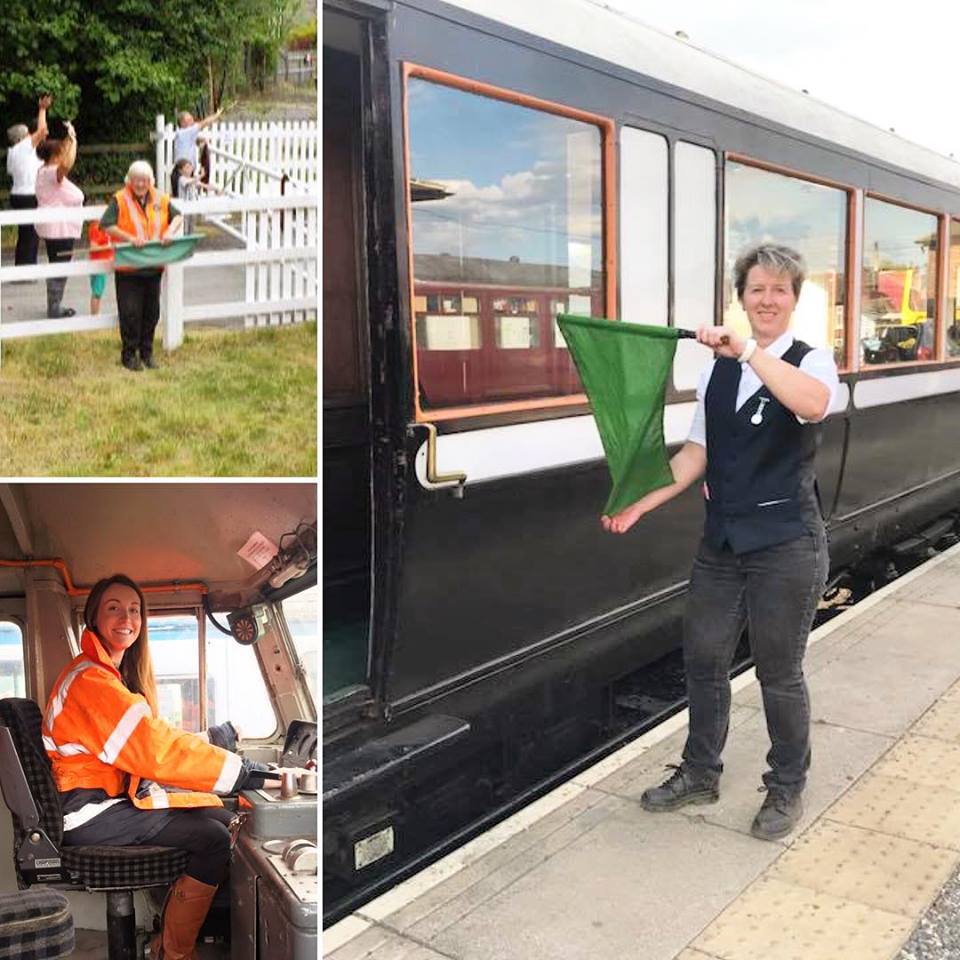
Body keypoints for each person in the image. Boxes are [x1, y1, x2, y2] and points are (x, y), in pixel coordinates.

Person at [604, 243, 839, 841]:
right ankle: (700, 771)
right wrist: (644, 500)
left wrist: (751, 352)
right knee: (704, 659)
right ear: (742, 297)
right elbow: (697, 454)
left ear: (794, 299)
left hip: (787, 541)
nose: (766, 299)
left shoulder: (811, 361)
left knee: (778, 672)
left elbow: (813, 406)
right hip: (724, 541)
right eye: (756, 288)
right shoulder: (718, 368)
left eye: (779, 290)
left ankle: (786, 787)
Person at [42, 574, 280, 960]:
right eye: (114, 608)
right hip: (87, 813)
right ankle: (175, 954)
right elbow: (154, 750)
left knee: (217, 815)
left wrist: (217, 739)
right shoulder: (91, 680)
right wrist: (242, 771)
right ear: (94, 619)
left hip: (104, 802)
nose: (126, 618)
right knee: (214, 838)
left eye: (134, 610)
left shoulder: (105, 677)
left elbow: (152, 738)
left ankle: (163, 942)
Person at [100, 161, 183, 370]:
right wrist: (129, 238)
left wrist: (170, 232)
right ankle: (129, 355)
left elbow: (178, 216)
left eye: (144, 180)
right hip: (129, 267)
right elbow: (107, 225)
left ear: (150, 181)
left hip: (153, 266)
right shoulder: (120, 199)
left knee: (151, 313)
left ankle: (147, 353)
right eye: (136, 180)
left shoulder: (161, 198)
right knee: (130, 313)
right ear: (129, 180)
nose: (140, 184)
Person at [34, 121, 83, 319]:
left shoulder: (43, 171)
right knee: (60, 263)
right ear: (54, 156)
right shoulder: (52, 173)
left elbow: (65, 155)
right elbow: (67, 163)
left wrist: (71, 137)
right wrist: (73, 141)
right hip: (59, 227)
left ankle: (54, 304)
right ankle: (54, 307)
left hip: (55, 226)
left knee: (57, 262)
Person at [6, 94, 51, 268]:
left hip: (17, 195)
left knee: (25, 233)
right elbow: (43, 131)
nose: (30, 136)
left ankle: (23, 266)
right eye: (27, 134)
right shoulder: (23, 147)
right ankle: (26, 269)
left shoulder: (13, 152)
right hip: (27, 195)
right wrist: (42, 109)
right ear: (22, 137)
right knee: (30, 233)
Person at [172, 106, 223, 172]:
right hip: (184, 171)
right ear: (182, 123)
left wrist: (202, 140)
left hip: (185, 170)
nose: (193, 121)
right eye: (189, 120)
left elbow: (194, 140)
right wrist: (216, 115)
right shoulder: (187, 131)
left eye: (192, 118)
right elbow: (205, 123)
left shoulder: (183, 133)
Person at [87, 220, 112, 315]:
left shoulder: (103, 226)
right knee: (97, 292)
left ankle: (96, 313)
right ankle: (94, 315)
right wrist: (109, 246)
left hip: (102, 263)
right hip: (98, 264)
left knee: (98, 291)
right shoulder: (96, 228)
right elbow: (93, 247)